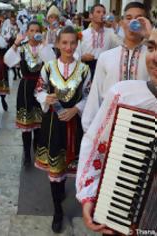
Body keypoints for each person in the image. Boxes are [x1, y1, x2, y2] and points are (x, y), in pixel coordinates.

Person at [76, 28, 157, 235]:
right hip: (121, 215)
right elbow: (96, 146)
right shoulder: (125, 95)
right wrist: (90, 195)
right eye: (152, 47)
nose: (154, 58)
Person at [34, 26, 91, 233]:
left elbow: (88, 96)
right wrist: (45, 98)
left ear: (77, 44)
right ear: (57, 44)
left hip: (73, 124)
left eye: (72, 43)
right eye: (64, 43)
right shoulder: (48, 67)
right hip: (53, 124)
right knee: (54, 169)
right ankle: (57, 210)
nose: (68, 47)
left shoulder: (84, 69)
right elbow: (38, 89)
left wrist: (76, 109)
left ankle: (62, 192)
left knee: (67, 166)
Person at [82, 2, 152, 132]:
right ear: (122, 22)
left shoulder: (152, 56)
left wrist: (150, 35)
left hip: (144, 127)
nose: (133, 23)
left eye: (139, 19)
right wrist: (89, 128)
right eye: (129, 18)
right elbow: (96, 94)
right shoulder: (106, 57)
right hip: (110, 127)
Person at [4, 21, 56, 166]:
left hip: (41, 86)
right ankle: (27, 153)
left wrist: (44, 44)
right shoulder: (21, 48)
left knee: (39, 123)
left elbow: (52, 63)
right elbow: (7, 61)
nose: (34, 33)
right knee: (26, 124)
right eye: (31, 30)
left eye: (37, 30)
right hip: (26, 87)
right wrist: (15, 43)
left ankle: (38, 150)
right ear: (27, 32)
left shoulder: (44, 48)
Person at [77, 4, 122, 78]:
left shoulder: (111, 32)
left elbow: (122, 44)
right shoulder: (83, 34)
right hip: (87, 68)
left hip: (105, 68)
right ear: (91, 15)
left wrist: (114, 24)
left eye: (104, 12)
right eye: (98, 12)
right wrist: (82, 57)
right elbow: (75, 53)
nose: (102, 14)